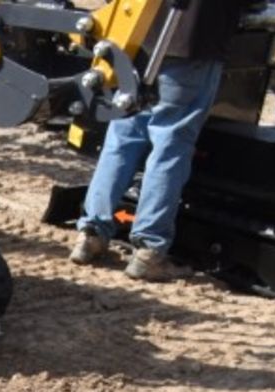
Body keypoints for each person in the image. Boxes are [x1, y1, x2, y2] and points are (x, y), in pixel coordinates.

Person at [70, 0, 247, 281]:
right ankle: (150, 250)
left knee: (122, 137)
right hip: (194, 45)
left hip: (139, 37)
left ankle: (91, 233)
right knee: (170, 145)